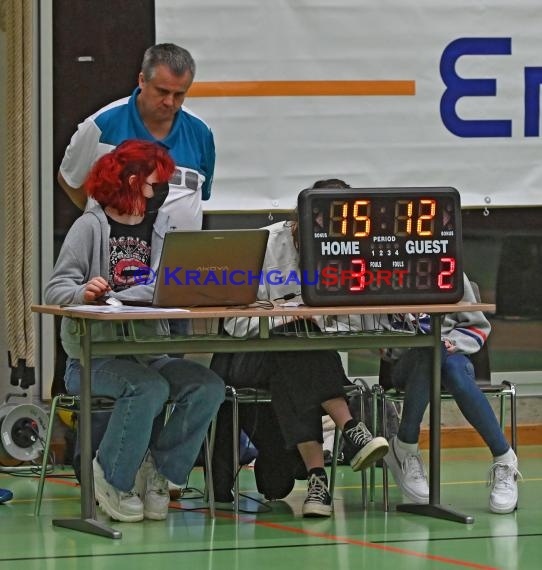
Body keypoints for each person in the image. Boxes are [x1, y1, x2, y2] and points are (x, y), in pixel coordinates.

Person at [44, 140, 225, 523]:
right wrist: (83, 292)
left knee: (207, 386)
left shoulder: (163, 229)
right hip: (91, 361)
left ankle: (160, 471)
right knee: (148, 387)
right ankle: (111, 477)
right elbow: (55, 289)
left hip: (147, 352)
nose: (161, 193)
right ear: (131, 181)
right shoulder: (89, 227)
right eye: (154, 184)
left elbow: (166, 285)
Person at [211, 179, 389, 518]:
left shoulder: (347, 252)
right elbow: (235, 323)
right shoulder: (262, 244)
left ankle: (317, 479)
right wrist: (286, 312)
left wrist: (310, 316)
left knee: (296, 353)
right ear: (299, 222)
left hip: (293, 367)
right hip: (247, 356)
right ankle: (351, 428)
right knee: (295, 335)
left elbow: (350, 321)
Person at [381, 276, 521, 514]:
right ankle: (406, 445)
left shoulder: (451, 269)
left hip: (453, 355)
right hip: (407, 362)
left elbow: (477, 324)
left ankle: (505, 460)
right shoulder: (378, 272)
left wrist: (453, 342)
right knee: (429, 349)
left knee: (451, 366)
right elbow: (371, 326)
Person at [58, 43, 215, 233]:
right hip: (114, 257)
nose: (169, 102)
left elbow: (201, 195)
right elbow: (70, 181)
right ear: (142, 80)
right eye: (162, 91)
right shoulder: (101, 124)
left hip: (180, 260)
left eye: (179, 94)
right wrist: (103, 219)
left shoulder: (201, 131)